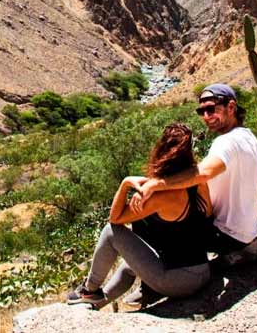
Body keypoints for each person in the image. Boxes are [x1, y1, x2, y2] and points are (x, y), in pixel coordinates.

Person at [66, 123, 214, 310]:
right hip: (201, 270)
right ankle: (96, 304)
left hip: (180, 280)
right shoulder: (198, 183)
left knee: (111, 232)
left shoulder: (161, 197)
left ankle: (89, 289)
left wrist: (125, 184)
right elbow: (208, 214)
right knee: (129, 266)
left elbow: (114, 220)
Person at [130, 84, 257, 270]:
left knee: (145, 215)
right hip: (247, 230)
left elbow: (204, 173)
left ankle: (163, 275)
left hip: (226, 234)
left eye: (211, 109)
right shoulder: (248, 136)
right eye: (201, 111)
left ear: (231, 107)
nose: (206, 116)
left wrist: (155, 184)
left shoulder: (225, 141)